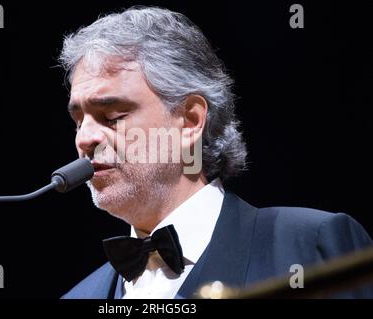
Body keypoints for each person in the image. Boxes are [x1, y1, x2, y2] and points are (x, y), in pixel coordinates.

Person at [58, 6, 373, 299]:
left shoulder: (312, 246)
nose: (85, 138)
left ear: (191, 120)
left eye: (112, 117)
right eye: (77, 121)